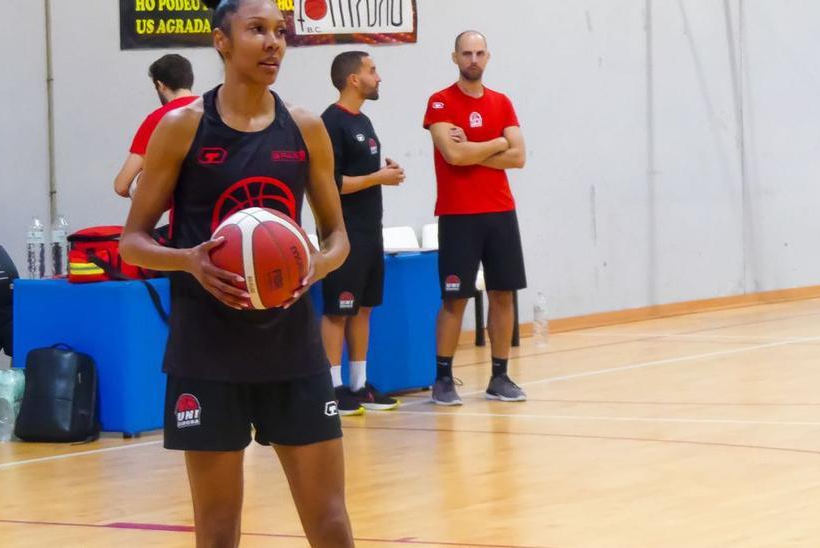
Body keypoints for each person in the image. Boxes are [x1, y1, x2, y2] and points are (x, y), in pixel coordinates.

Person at [119, 1, 355, 545]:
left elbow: (337, 239)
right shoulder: (181, 128)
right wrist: (187, 260)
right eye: (257, 31)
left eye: (280, 32)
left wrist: (311, 266)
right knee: (219, 528)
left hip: (292, 351)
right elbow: (132, 242)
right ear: (221, 42)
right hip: (207, 354)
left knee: (331, 522)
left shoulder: (306, 128)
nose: (273, 42)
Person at [423, 30, 528, 406]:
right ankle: (443, 378)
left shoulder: (502, 103)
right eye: (466, 53)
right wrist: (498, 142)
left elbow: (518, 157)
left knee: (504, 294)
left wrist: (476, 147)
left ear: (488, 57)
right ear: (454, 58)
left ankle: (500, 376)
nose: (473, 59)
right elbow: (453, 157)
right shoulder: (440, 103)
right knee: (455, 299)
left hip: (500, 212)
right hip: (458, 214)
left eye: (479, 53)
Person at [320, 51, 405, 415]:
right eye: (372, 71)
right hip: (343, 232)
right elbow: (330, 183)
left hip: (371, 230)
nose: (379, 77)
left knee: (363, 309)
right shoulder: (330, 122)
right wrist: (376, 178)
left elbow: (365, 177)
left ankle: (358, 384)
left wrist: (385, 173)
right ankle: (333, 388)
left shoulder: (364, 121)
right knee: (338, 310)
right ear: (354, 79)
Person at [113, 53, 198, 198]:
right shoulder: (215, 110)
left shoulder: (158, 119)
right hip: (226, 213)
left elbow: (122, 185)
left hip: (184, 217)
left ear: (160, 85)